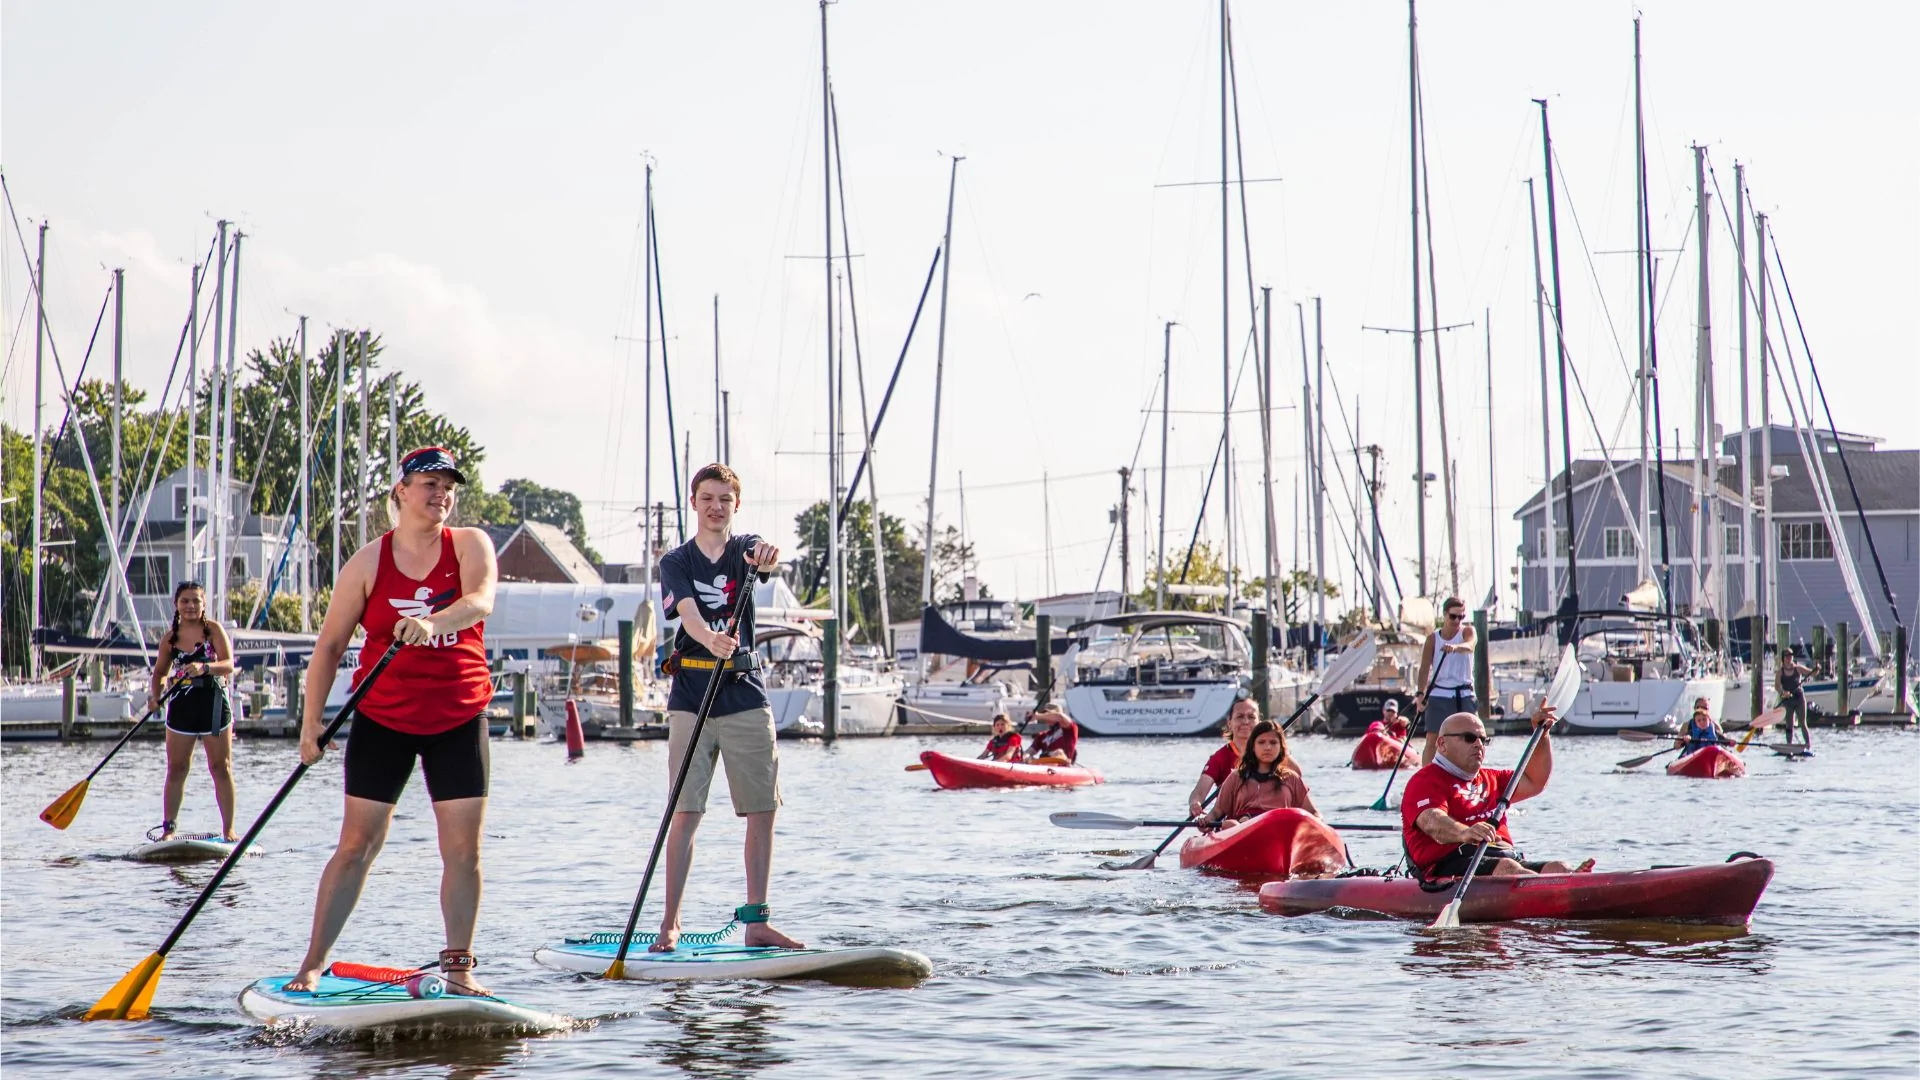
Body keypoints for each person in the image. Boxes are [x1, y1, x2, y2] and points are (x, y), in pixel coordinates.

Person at [286, 447, 499, 995]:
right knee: (357, 845)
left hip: (458, 716)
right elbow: (330, 647)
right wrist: (311, 726)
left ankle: (459, 969)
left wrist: (433, 622)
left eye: (448, 485)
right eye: (429, 484)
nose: (441, 494)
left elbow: (480, 600)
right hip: (383, 719)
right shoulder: (367, 563)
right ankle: (311, 963)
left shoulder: (471, 544)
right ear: (401, 491)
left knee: (462, 851)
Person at [652, 463, 802, 953]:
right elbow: (689, 612)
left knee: (762, 810)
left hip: (744, 693)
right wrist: (709, 638)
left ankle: (757, 922)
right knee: (685, 812)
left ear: (736, 506)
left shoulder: (744, 551)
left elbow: (763, 553)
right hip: (691, 697)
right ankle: (669, 924)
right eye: (708, 498)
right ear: (693, 502)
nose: (716, 506)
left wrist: (766, 555)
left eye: (726, 499)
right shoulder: (676, 561)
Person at [1400, 709, 1590, 880]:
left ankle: (1575, 888)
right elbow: (1433, 822)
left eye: (1484, 740)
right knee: (1507, 867)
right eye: (1469, 738)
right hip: (1450, 863)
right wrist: (1465, 832)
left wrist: (1542, 735)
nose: (1479, 745)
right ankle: (1561, 895)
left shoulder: (1492, 778)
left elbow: (1535, 781)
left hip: (1501, 857)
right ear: (1441, 744)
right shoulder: (1424, 781)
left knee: (1558, 867)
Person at [147, 581, 237, 842]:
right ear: (176, 604)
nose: (190, 606)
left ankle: (228, 830)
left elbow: (229, 664)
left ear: (204, 604)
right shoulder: (170, 639)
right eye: (185, 601)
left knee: (221, 767)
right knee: (177, 768)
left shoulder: (214, 630)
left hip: (213, 705)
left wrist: (205, 668)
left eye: (196, 601)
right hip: (182, 706)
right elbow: (160, 673)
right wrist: (156, 696)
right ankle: (169, 830)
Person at [1204, 719, 1318, 830]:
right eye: (1261, 742)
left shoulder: (1292, 778)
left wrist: (1318, 826)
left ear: (1280, 747)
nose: (1267, 747)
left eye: (1273, 743)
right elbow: (1216, 812)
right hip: (1243, 829)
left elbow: (1313, 813)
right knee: (1229, 824)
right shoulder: (1237, 777)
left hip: (1279, 829)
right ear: (1253, 747)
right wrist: (1206, 821)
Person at [1413, 597, 1477, 766]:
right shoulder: (1433, 639)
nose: (1457, 621)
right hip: (1440, 694)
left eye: (1461, 617)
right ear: (1444, 615)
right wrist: (1420, 695)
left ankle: (1471, 777)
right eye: (1453, 616)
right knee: (1433, 739)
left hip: (1464, 694)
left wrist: (1455, 648)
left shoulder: (1467, 632)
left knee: (1472, 739)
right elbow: (1424, 668)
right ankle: (1425, 779)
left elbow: (1470, 645)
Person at [1188, 696, 1258, 818]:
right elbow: (1199, 791)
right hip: (1232, 820)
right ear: (1230, 723)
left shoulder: (1272, 753)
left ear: (1259, 723)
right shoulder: (1219, 758)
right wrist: (1195, 803)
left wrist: (1283, 755)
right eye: (1240, 716)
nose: (1246, 721)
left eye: (1251, 717)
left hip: (1264, 816)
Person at [1777, 647, 1812, 747]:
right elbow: (1777, 686)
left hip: (1799, 698)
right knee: (1789, 724)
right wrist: (1783, 692)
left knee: (1802, 723)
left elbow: (1811, 672)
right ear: (1783, 658)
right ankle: (1789, 745)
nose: (1789, 658)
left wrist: (1817, 669)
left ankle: (1808, 744)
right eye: (1787, 656)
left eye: (1791, 656)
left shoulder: (1798, 668)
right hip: (1788, 700)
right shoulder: (1780, 672)